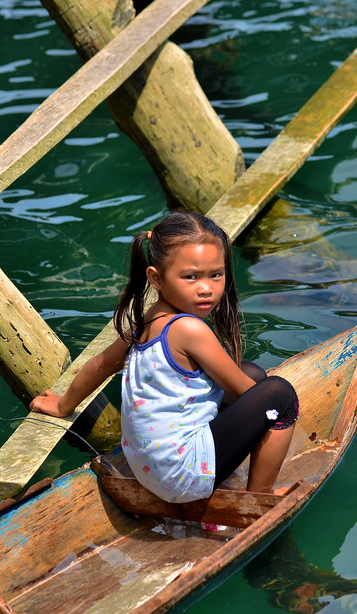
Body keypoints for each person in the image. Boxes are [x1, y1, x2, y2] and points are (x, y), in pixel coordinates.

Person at [30, 211, 298, 502]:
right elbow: (247, 394)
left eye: (216, 275)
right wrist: (278, 416)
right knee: (280, 396)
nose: (206, 288)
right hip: (184, 477)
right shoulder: (190, 329)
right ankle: (259, 499)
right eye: (191, 277)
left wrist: (63, 404)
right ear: (156, 278)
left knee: (253, 372)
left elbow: (99, 365)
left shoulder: (148, 320)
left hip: (148, 469)